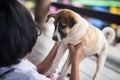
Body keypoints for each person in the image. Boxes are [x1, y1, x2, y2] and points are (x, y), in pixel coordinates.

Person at [0, 0, 85, 80]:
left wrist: (57, 45)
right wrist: (75, 60)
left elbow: (36, 70)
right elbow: (31, 74)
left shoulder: (9, 63)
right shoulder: (31, 77)